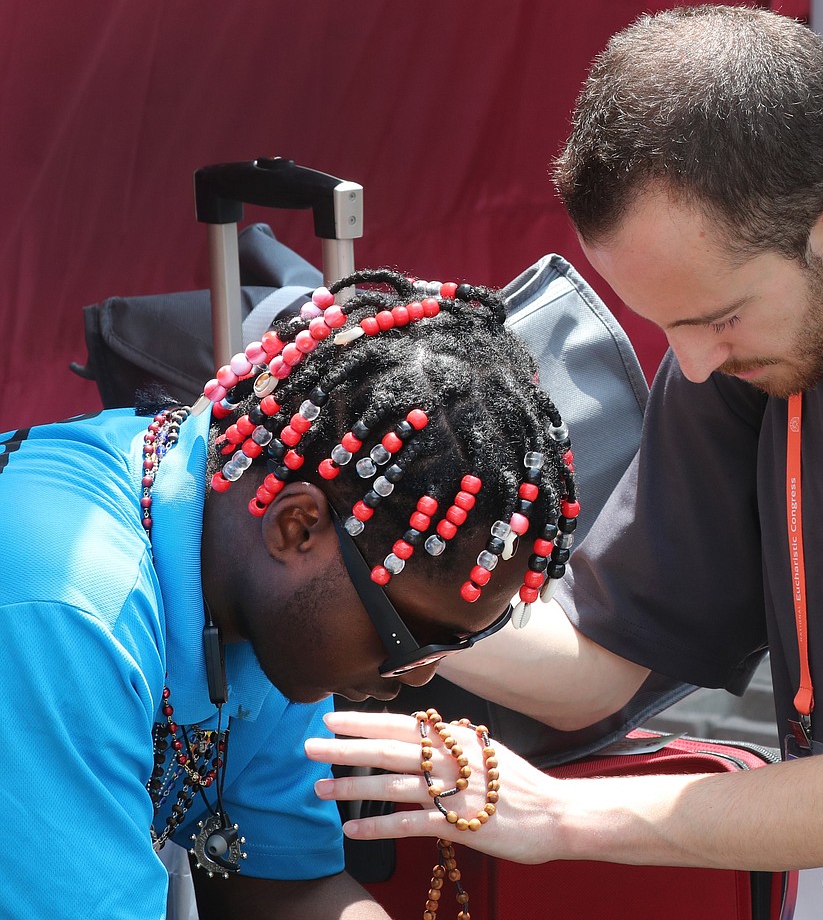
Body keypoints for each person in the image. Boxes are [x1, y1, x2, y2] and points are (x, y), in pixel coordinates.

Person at [305, 4, 823, 919]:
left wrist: (560, 814)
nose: (689, 364)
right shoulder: (755, 350)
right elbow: (595, 668)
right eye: (666, 324)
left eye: (716, 315)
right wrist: (372, 560)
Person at [0, 268, 579, 919]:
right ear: (295, 525)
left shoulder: (262, 601)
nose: (418, 674)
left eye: (460, 641)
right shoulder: (69, 611)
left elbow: (280, 889)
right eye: (407, 634)